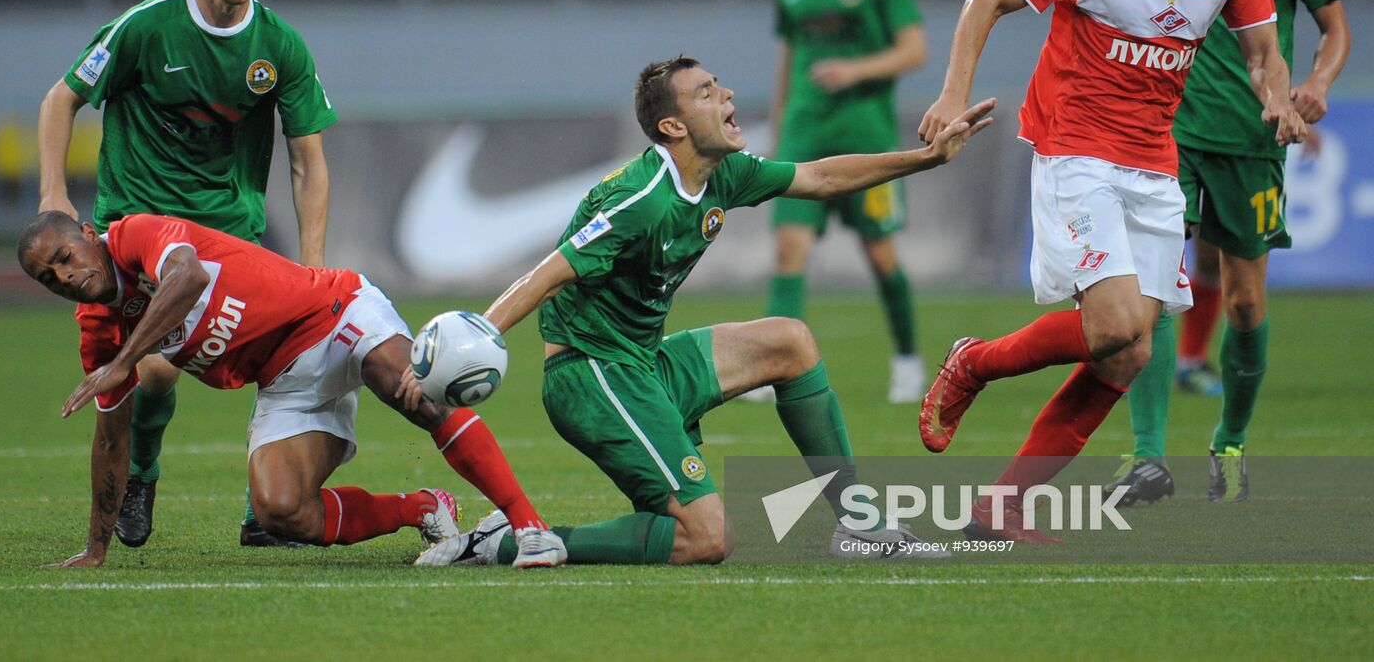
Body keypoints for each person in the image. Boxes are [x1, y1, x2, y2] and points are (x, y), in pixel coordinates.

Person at [404, 56, 993, 566]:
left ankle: (859, 526)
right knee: (707, 538)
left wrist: (924, 159)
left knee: (789, 342)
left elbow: (817, 176)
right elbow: (550, 272)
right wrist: (478, 335)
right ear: (673, 125)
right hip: (591, 375)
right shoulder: (641, 198)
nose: (728, 95)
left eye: (720, 85)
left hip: (645, 365)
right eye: (707, 92)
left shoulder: (724, 172)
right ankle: (510, 542)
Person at [916, 0, 1306, 542]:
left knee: (1127, 354)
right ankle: (975, 364)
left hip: (1155, 159)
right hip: (1076, 148)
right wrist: (952, 92)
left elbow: (1262, 48)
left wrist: (1278, 99)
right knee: (1123, 324)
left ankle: (1000, 507)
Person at [17, 210, 564, 568]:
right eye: (48, 277)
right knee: (280, 510)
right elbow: (112, 442)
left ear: (88, 234)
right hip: (283, 380)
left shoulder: (135, 236)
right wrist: (95, 547)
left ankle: (529, 527)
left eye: (64, 258)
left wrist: (128, 360)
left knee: (411, 391)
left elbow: (187, 277)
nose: (63, 277)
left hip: (333, 313)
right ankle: (423, 509)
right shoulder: (97, 331)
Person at [37, 0, 334, 548]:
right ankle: (141, 471)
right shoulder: (146, 27)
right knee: (159, 369)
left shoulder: (279, 45)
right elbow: (62, 98)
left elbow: (308, 162)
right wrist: (53, 195)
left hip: (228, 235)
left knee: (296, 358)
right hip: (136, 234)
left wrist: (311, 265)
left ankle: (271, 506)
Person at [1112, 0, 1350, 503]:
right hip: (1167, 133)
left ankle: (1231, 442)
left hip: (1250, 140)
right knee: (1151, 293)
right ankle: (1146, 455)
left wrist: (1312, 87)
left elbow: (1333, 27)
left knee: (1245, 304)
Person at [759, 0, 930, 404]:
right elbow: (789, 55)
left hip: (866, 138)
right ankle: (771, 365)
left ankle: (907, 359)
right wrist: (779, 124)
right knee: (789, 248)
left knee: (880, 253)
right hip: (804, 135)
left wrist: (855, 71)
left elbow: (914, 50)